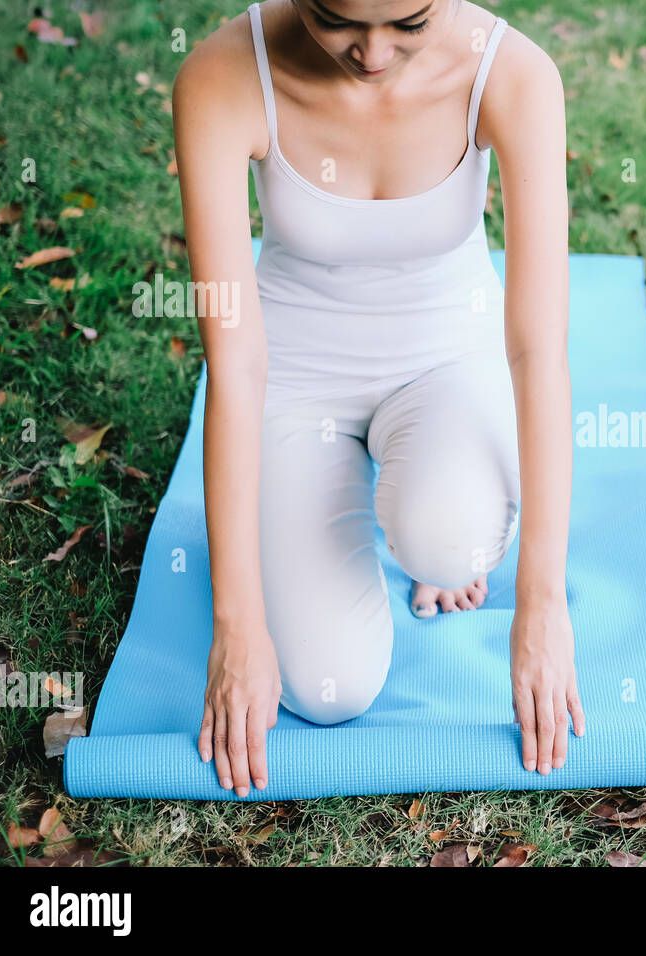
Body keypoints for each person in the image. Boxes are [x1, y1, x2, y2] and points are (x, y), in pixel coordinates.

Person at [171, 0, 584, 798]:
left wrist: (541, 602)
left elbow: (537, 350)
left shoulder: (515, 73)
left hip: (445, 362)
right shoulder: (222, 75)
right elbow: (236, 362)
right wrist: (237, 624)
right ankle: (361, 499)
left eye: (408, 24)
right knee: (329, 689)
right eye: (337, 21)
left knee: (449, 540)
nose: (370, 54)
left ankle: (428, 523)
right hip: (294, 381)